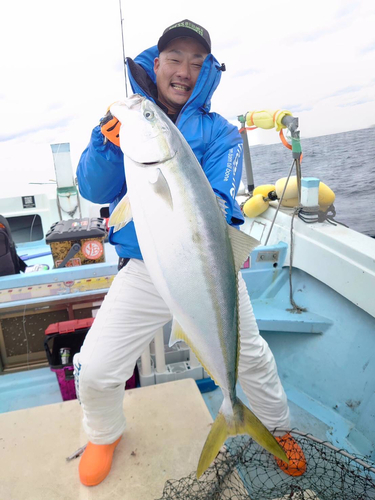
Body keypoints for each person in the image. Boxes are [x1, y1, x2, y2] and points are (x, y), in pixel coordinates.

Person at [74, 19, 306, 487]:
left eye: (197, 63)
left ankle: (277, 430)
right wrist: (104, 144)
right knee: (95, 369)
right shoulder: (128, 130)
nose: (185, 71)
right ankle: (103, 433)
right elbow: (95, 188)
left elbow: (224, 195)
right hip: (144, 268)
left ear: (207, 73)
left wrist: (203, 207)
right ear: (156, 64)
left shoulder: (219, 132)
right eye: (175, 59)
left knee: (253, 358)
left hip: (207, 264)